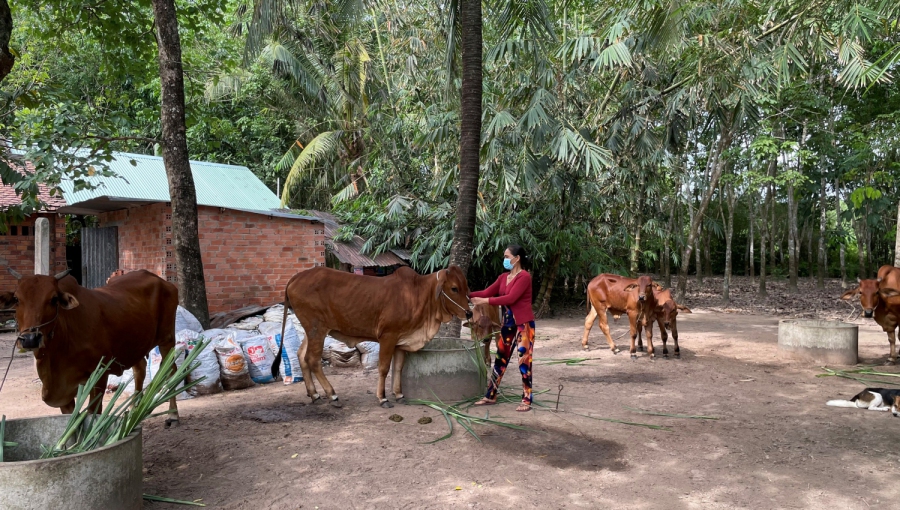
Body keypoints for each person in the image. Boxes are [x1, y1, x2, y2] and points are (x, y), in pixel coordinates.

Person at [469, 244, 535, 412]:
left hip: (523, 324)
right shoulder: (503, 277)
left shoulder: (524, 277)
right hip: (508, 323)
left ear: (517, 258)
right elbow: (486, 292)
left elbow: (510, 298)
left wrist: (484, 302)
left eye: (507, 257)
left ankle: (527, 399)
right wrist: (465, 294)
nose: (505, 260)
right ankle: (491, 395)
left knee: (524, 361)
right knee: (500, 358)